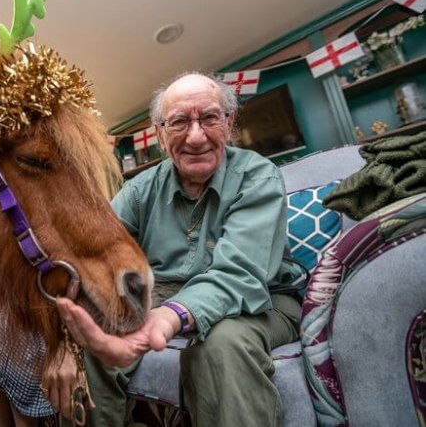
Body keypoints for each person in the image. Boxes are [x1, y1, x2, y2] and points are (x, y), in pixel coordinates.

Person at [48, 72, 305, 427]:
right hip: (164, 294)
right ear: (159, 133)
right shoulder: (140, 190)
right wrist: (64, 340)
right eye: (179, 122)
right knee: (91, 345)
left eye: (210, 118)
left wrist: (169, 317)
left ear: (228, 123)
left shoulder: (257, 176)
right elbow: (93, 255)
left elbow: (240, 273)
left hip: (262, 297)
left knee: (221, 344)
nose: (195, 136)